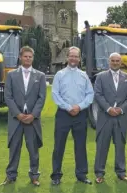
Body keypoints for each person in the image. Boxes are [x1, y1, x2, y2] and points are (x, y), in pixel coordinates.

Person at [1, 46, 47, 186]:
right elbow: (8, 97)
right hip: (16, 119)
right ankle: (11, 176)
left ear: (33, 58)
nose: (28, 59)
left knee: (33, 150)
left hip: (32, 120)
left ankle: (34, 176)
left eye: (30, 57)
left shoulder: (40, 76)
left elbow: (42, 97)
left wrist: (33, 115)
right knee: (14, 148)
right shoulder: (11, 75)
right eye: (25, 56)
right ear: (20, 57)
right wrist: (18, 114)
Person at [50, 46, 94, 185]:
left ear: (79, 59)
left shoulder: (84, 75)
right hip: (63, 114)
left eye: (76, 56)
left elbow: (90, 94)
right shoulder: (59, 75)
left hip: (80, 115)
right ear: (67, 57)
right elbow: (55, 94)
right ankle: (56, 175)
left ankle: (81, 174)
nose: (74, 58)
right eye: (71, 56)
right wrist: (68, 107)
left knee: (80, 146)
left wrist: (79, 106)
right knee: (59, 146)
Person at [93, 53, 127, 183]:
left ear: (121, 62)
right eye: (113, 60)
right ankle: (99, 173)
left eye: (117, 61)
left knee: (120, 146)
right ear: (109, 62)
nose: (115, 63)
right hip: (105, 117)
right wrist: (108, 108)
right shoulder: (100, 77)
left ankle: (121, 172)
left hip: (121, 118)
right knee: (102, 146)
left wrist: (121, 109)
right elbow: (98, 94)